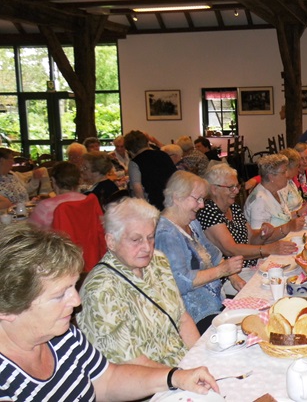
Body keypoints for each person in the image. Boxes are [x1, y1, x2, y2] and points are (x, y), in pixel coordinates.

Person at [0, 224, 218, 401]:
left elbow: (107, 379)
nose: (76, 301)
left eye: (72, 288)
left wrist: (175, 377)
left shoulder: (63, 337)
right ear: (7, 309)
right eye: (59, 295)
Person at [78, 198, 199, 367]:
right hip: (149, 383)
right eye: (136, 240)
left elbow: (182, 319)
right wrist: (181, 376)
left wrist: (201, 359)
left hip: (183, 364)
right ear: (111, 241)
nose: (147, 248)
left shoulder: (158, 261)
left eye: (150, 238)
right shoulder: (100, 291)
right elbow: (130, 365)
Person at [155, 171, 243, 333]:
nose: (201, 205)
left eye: (203, 199)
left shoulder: (192, 222)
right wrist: (222, 271)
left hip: (215, 301)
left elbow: (213, 253)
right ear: (177, 197)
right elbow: (180, 282)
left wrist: (235, 278)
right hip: (193, 315)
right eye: (197, 199)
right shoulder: (166, 233)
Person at [198, 163, 297, 292]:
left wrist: (262, 234)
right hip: (231, 277)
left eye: (236, 186)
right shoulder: (208, 211)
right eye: (231, 187)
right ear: (214, 189)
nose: (237, 191)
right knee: (278, 286)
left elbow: (250, 238)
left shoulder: (232, 207)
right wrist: (268, 249)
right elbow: (231, 250)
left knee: (288, 275)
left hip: (250, 267)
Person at [244, 154, 306, 236]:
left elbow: (283, 217)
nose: (287, 175)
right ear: (271, 177)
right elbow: (259, 236)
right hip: (272, 245)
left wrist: (297, 215)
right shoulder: (259, 201)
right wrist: (288, 227)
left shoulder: (276, 191)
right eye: (283, 172)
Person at [125, 129, 176, 210]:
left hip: (154, 205)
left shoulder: (134, 163)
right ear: (147, 142)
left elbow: (138, 190)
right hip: (173, 200)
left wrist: (144, 209)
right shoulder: (163, 155)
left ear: (129, 150)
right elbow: (175, 176)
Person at [29, 161, 86, 228]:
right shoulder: (88, 200)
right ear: (79, 180)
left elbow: (31, 231)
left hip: (58, 238)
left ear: (53, 180)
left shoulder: (45, 206)